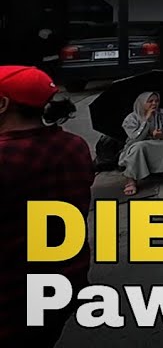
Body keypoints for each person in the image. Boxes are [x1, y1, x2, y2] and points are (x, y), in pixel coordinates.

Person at [0, 66, 92, 348]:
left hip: (11, 298)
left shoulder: (8, 156)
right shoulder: (73, 145)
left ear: (2, 104)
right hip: (61, 285)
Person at [119, 92, 163, 195]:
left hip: (160, 142)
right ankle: (131, 180)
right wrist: (146, 121)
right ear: (142, 103)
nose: (154, 104)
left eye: (156, 101)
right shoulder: (131, 118)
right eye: (150, 101)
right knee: (138, 147)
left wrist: (162, 136)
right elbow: (135, 138)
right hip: (140, 143)